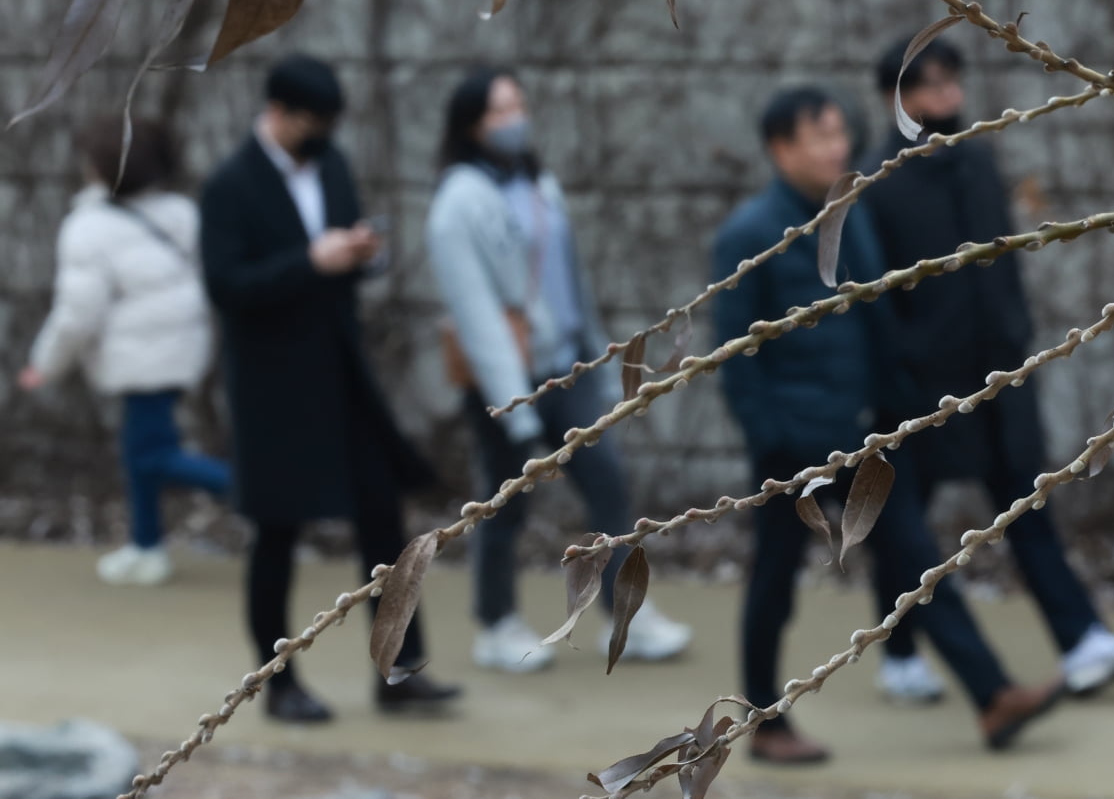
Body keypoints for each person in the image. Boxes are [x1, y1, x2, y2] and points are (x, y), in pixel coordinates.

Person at [713, 85, 1065, 764]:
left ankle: (993, 696)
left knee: (916, 563)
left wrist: (902, 409)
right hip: (794, 448)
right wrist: (773, 440)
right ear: (780, 148)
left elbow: (879, 321)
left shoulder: (851, 215)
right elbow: (737, 362)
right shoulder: (751, 236)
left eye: (840, 134)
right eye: (818, 136)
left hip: (862, 434)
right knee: (775, 582)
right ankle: (765, 722)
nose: (836, 148)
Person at [860, 36, 1114, 704]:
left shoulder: (977, 159)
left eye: (952, 83)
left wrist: (1018, 344)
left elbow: (1005, 266)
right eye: (930, 86)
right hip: (924, 391)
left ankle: (1083, 639)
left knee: (1027, 506)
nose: (947, 98)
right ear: (896, 97)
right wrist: (903, 375)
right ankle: (900, 652)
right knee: (908, 523)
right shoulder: (877, 184)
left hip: (1000, 376)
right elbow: (875, 298)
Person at [200, 54, 459, 723]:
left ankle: (399, 670)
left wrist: (360, 254)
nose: (323, 135)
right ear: (279, 113)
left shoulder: (333, 164)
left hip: (342, 374)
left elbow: (337, 262)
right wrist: (310, 261)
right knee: (276, 534)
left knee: (384, 523)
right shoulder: (231, 186)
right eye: (313, 122)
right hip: (273, 388)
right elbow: (227, 286)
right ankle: (277, 685)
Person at [425, 66, 692, 673]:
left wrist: (594, 356)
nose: (515, 120)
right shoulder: (457, 203)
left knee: (608, 484)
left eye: (518, 105)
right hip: (508, 384)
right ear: (470, 124)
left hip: (565, 369)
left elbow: (571, 281)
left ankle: (626, 614)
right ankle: (495, 625)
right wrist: (514, 412)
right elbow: (477, 316)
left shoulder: (538, 181)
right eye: (500, 111)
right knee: (504, 504)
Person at [19, 116, 230, 587]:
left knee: (153, 455)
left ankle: (255, 493)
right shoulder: (180, 211)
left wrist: (43, 365)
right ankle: (146, 547)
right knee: (140, 454)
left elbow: (77, 313)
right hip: (180, 350)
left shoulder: (89, 227)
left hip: (141, 359)